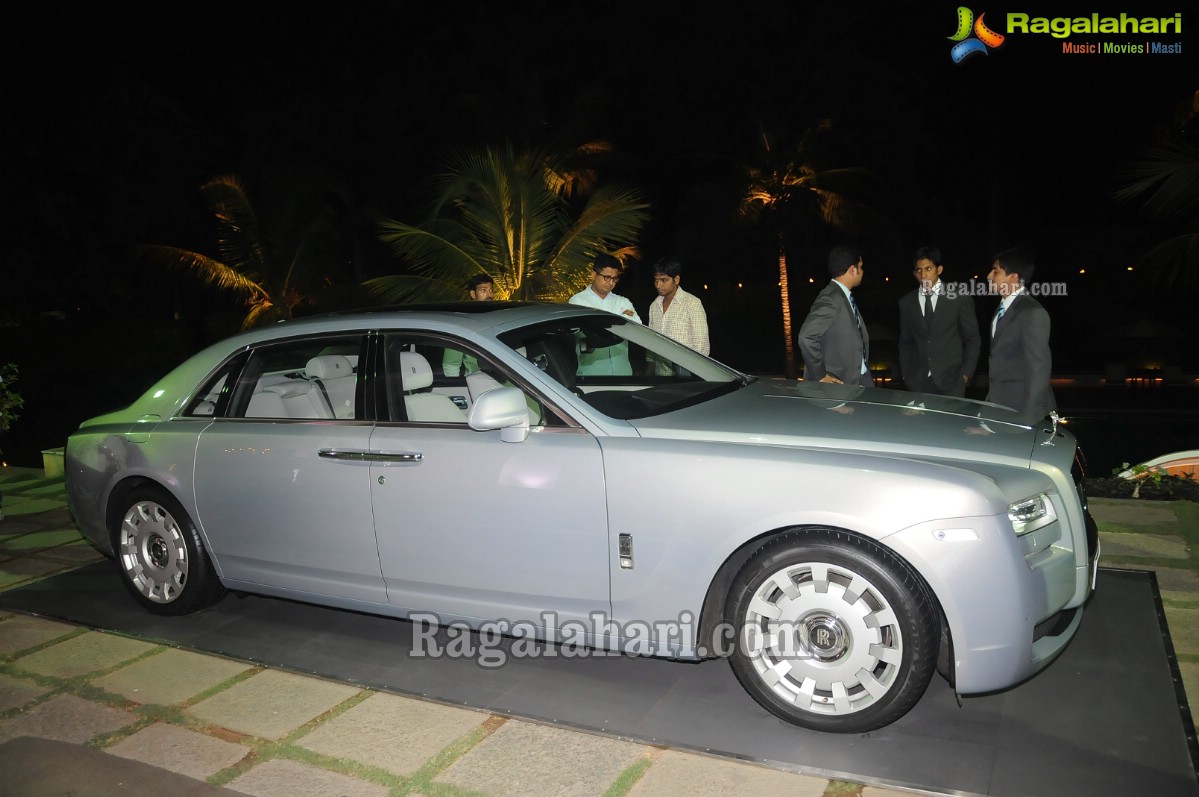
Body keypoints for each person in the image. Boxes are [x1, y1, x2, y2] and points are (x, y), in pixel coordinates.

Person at [897, 246, 981, 397]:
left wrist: (966, 374)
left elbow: (973, 338)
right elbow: (905, 342)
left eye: (928, 268)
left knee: (950, 421)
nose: (923, 275)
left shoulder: (958, 297)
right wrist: (906, 375)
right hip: (918, 382)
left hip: (953, 380)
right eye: (919, 270)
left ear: (939, 269)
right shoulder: (906, 303)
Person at [986, 246, 1055, 423]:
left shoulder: (1032, 313)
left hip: (1021, 413)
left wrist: (1026, 418)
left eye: (995, 271)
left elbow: (1039, 370)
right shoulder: (1003, 308)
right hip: (1001, 409)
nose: (989, 276)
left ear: (1013, 277)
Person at [797, 245, 872, 387]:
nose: (862, 272)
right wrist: (820, 375)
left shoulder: (842, 296)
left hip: (858, 381)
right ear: (852, 270)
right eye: (860, 267)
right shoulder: (831, 298)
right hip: (838, 387)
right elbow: (806, 337)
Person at [569, 253, 642, 375]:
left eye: (615, 279)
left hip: (623, 372)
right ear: (593, 275)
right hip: (591, 372)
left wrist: (598, 324)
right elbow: (580, 333)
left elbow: (637, 327)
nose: (611, 283)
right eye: (607, 277)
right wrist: (620, 317)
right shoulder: (578, 302)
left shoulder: (622, 301)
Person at [647, 257, 709, 375]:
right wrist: (649, 373)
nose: (658, 285)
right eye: (656, 280)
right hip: (661, 374)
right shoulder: (654, 306)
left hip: (686, 373)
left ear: (676, 279)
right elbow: (651, 343)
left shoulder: (692, 303)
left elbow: (701, 344)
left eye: (664, 280)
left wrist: (693, 372)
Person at [442, 274, 493, 376]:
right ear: (473, 294)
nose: (489, 295)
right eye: (483, 290)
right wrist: (455, 388)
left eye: (491, 290)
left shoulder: (500, 318)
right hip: (481, 384)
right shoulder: (462, 324)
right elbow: (451, 365)